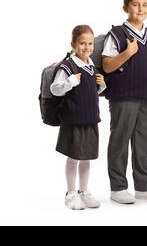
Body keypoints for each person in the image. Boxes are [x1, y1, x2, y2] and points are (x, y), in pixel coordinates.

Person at [102, 0, 147, 204]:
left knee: (143, 141)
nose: (141, 8)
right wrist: (128, 53)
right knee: (120, 140)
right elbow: (107, 66)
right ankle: (118, 187)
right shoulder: (117, 34)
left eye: (145, 4)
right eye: (135, 4)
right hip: (123, 96)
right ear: (125, 7)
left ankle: (143, 185)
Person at [50, 25, 105, 210]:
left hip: (90, 119)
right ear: (73, 44)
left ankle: (84, 191)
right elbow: (55, 89)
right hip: (73, 120)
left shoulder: (91, 65)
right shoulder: (67, 66)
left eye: (90, 43)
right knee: (74, 157)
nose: (87, 47)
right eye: (82, 43)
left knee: (86, 157)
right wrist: (70, 81)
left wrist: (102, 85)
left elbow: (92, 92)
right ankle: (71, 193)